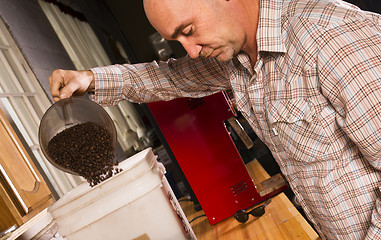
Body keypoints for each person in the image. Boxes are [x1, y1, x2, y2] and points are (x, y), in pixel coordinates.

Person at [49, 0, 381, 239]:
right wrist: (89, 80)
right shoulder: (237, 59)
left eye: (189, 31)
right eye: (178, 40)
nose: (191, 51)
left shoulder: (329, 38)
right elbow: (171, 78)